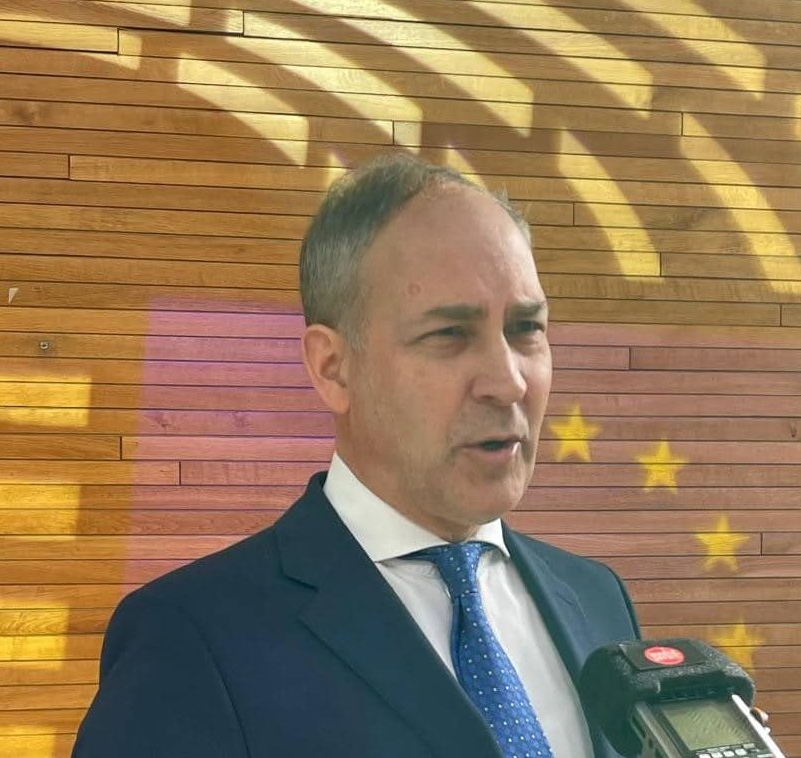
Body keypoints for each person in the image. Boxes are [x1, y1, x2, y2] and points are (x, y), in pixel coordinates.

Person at [73, 153, 639, 757]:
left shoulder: (598, 597)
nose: (508, 382)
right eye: (448, 334)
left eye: (526, 328)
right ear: (333, 368)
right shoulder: (190, 642)